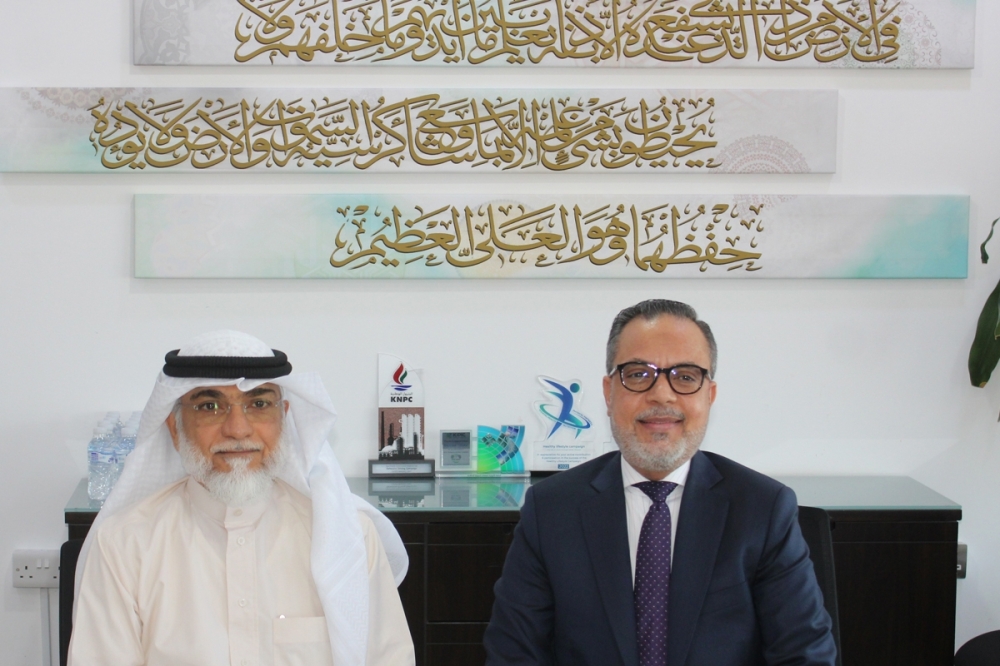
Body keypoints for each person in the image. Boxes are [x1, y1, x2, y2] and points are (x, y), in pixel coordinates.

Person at [484, 300, 837, 666]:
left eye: (685, 377)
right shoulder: (551, 510)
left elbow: (804, 655)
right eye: (638, 374)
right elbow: (514, 655)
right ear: (608, 393)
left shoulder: (763, 509)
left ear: (709, 395)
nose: (662, 395)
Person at [69, 330, 416, 666]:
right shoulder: (123, 545)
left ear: (284, 419)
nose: (237, 429)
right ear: (175, 429)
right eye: (209, 406)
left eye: (259, 404)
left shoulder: (348, 538)